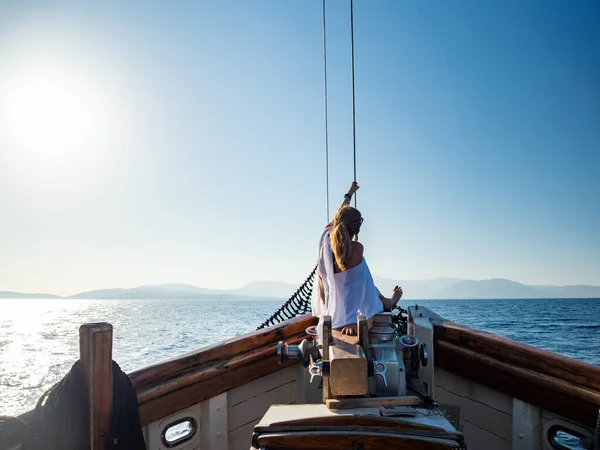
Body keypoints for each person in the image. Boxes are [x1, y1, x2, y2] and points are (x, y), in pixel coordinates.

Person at [311, 182, 403, 339]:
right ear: (357, 229)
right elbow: (353, 287)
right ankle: (386, 302)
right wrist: (350, 321)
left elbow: (339, 216)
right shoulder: (355, 249)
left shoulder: (324, 236)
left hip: (329, 304)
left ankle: (384, 300)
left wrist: (349, 193)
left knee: (329, 275)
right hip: (347, 312)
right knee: (363, 271)